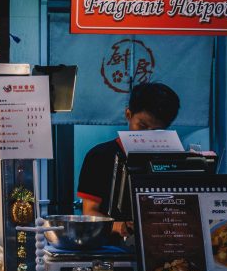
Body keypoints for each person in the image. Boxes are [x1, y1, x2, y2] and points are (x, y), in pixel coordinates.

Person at [76, 82, 181, 217]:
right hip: (111, 237)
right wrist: (121, 227)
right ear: (128, 114)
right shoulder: (99, 156)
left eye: (157, 131)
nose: (147, 135)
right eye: (142, 126)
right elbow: (90, 212)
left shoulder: (172, 160)